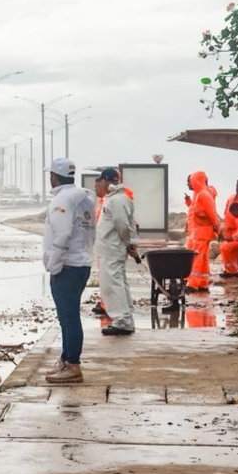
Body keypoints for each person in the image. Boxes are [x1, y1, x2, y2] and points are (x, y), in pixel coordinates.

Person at [42, 158, 97, 384]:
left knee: (69, 318)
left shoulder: (62, 200)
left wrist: (53, 265)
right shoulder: (83, 198)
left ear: (54, 176)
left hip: (67, 267)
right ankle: (66, 359)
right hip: (81, 263)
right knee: (69, 317)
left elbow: (62, 235)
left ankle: (72, 365)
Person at [94, 168, 139, 335]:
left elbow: (122, 224)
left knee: (113, 286)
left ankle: (122, 321)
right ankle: (125, 318)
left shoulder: (116, 200)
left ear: (105, 181)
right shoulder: (118, 198)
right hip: (112, 249)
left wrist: (129, 242)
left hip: (111, 249)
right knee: (118, 284)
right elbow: (129, 224)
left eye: (98, 182)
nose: (96, 186)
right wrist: (131, 243)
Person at [185, 170, 220, 292]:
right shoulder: (199, 194)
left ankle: (193, 283)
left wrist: (216, 226)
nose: (190, 184)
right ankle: (203, 283)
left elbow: (211, 213)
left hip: (203, 231)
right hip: (199, 231)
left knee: (197, 257)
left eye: (191, 181)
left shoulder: (204, 195)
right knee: (203, 257)